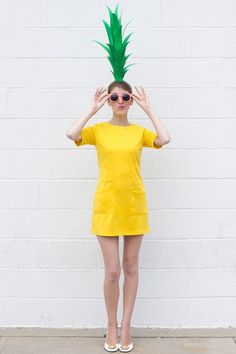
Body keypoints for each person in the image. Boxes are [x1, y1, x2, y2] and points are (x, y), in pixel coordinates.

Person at [66, 80, 171, 352]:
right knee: (113, 271)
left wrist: (149, 109)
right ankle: (111, 325)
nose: (120, 101)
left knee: (131, 267)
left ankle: (126, 325)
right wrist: (91, 109)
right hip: (107, 206)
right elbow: (72, 134)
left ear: (131, 100)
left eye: (125, 97)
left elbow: (164, 139)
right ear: (109, 101)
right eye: (114, 97)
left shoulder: (138, 132)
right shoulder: (99, 130)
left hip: (134, 206)